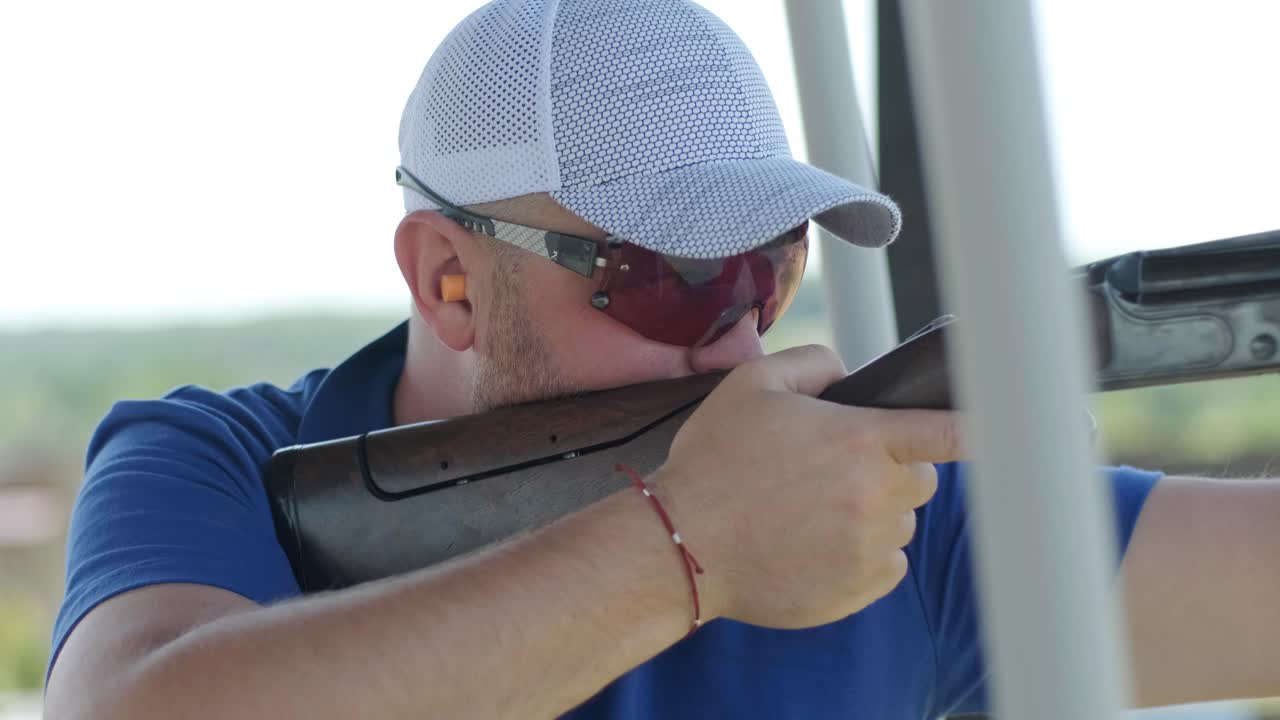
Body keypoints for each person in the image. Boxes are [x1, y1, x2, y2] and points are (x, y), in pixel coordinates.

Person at [43, 1, 1280, 718]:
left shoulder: (875, 511)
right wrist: (685, 551)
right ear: (448, 279)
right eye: (671, 278)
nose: (740, 341)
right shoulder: (215, 461)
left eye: (767, 269)